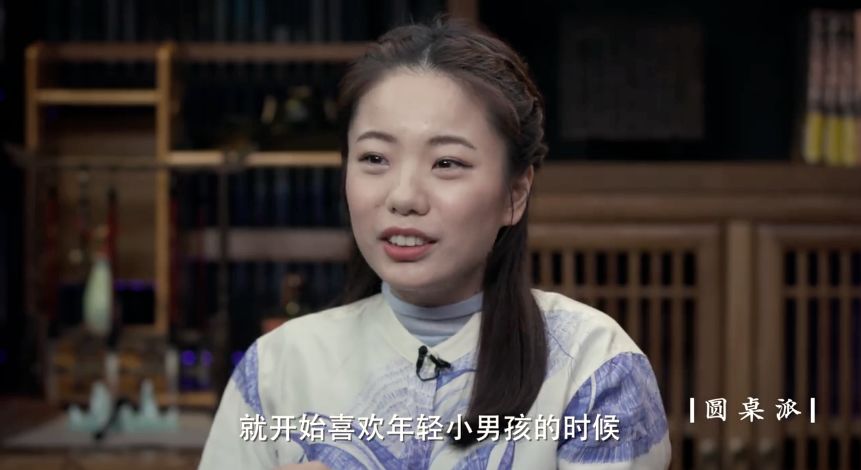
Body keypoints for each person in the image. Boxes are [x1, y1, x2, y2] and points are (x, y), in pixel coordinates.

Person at [199, 17, 671, 470]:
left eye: (446, 163)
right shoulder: (277, 367)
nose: (403, 197)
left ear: (515, 193)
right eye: (374, 158)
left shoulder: (592, 364)